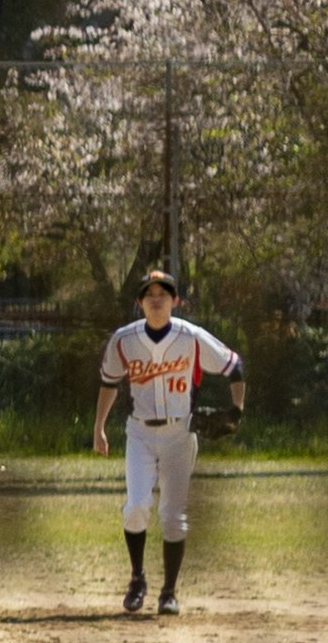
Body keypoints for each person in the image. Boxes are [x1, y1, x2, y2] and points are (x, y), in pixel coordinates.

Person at [96, 258, 244, 619]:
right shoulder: (124, 339)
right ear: (140, 302)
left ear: (175, 301)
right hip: (140, 433)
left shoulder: (191, 337)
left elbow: (235, 366)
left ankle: (169, 592)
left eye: (164, 294)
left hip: (181, 433)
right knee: (136, 507)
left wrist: (236, 412)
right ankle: (137, 580)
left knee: (173, 516)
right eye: (150, 295)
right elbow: (108, 383)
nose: (157, 300)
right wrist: (98, 426)